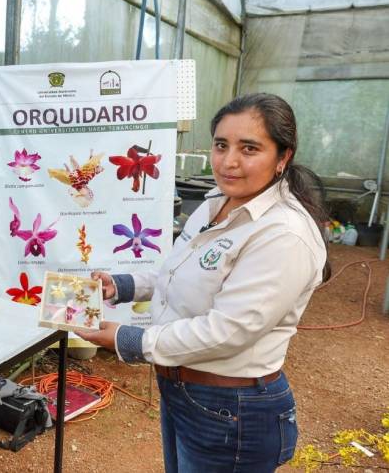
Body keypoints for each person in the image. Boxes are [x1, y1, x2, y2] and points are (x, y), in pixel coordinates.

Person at [77, 93, 329, 473]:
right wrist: (122, 285)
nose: (229, 162)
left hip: (232, 408)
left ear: (283, 157)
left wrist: (127, 339)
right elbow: (181, 276)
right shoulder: (216, 203)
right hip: (184, 390)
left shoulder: (283, 233)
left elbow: (229, 331)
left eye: (249, 148)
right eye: (221, 145)